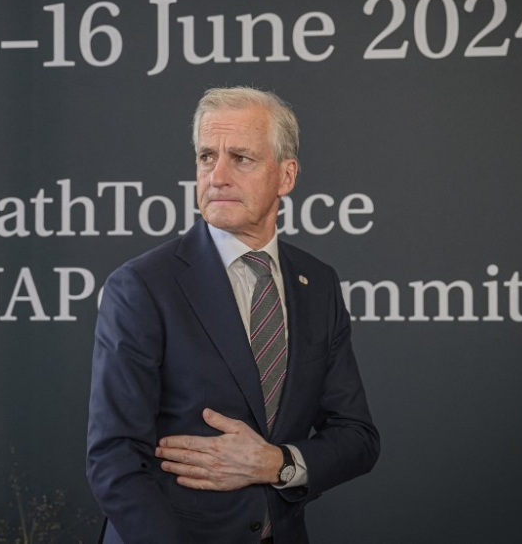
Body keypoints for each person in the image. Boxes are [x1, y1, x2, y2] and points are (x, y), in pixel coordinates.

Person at [86, 87, 379, 543]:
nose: (217, 175)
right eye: (206, 156)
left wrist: (277, 464)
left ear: (286, 175)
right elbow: (115, 458)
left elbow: (357, 438)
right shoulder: (142, 286)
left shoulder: (318, 283)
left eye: (240, 158)